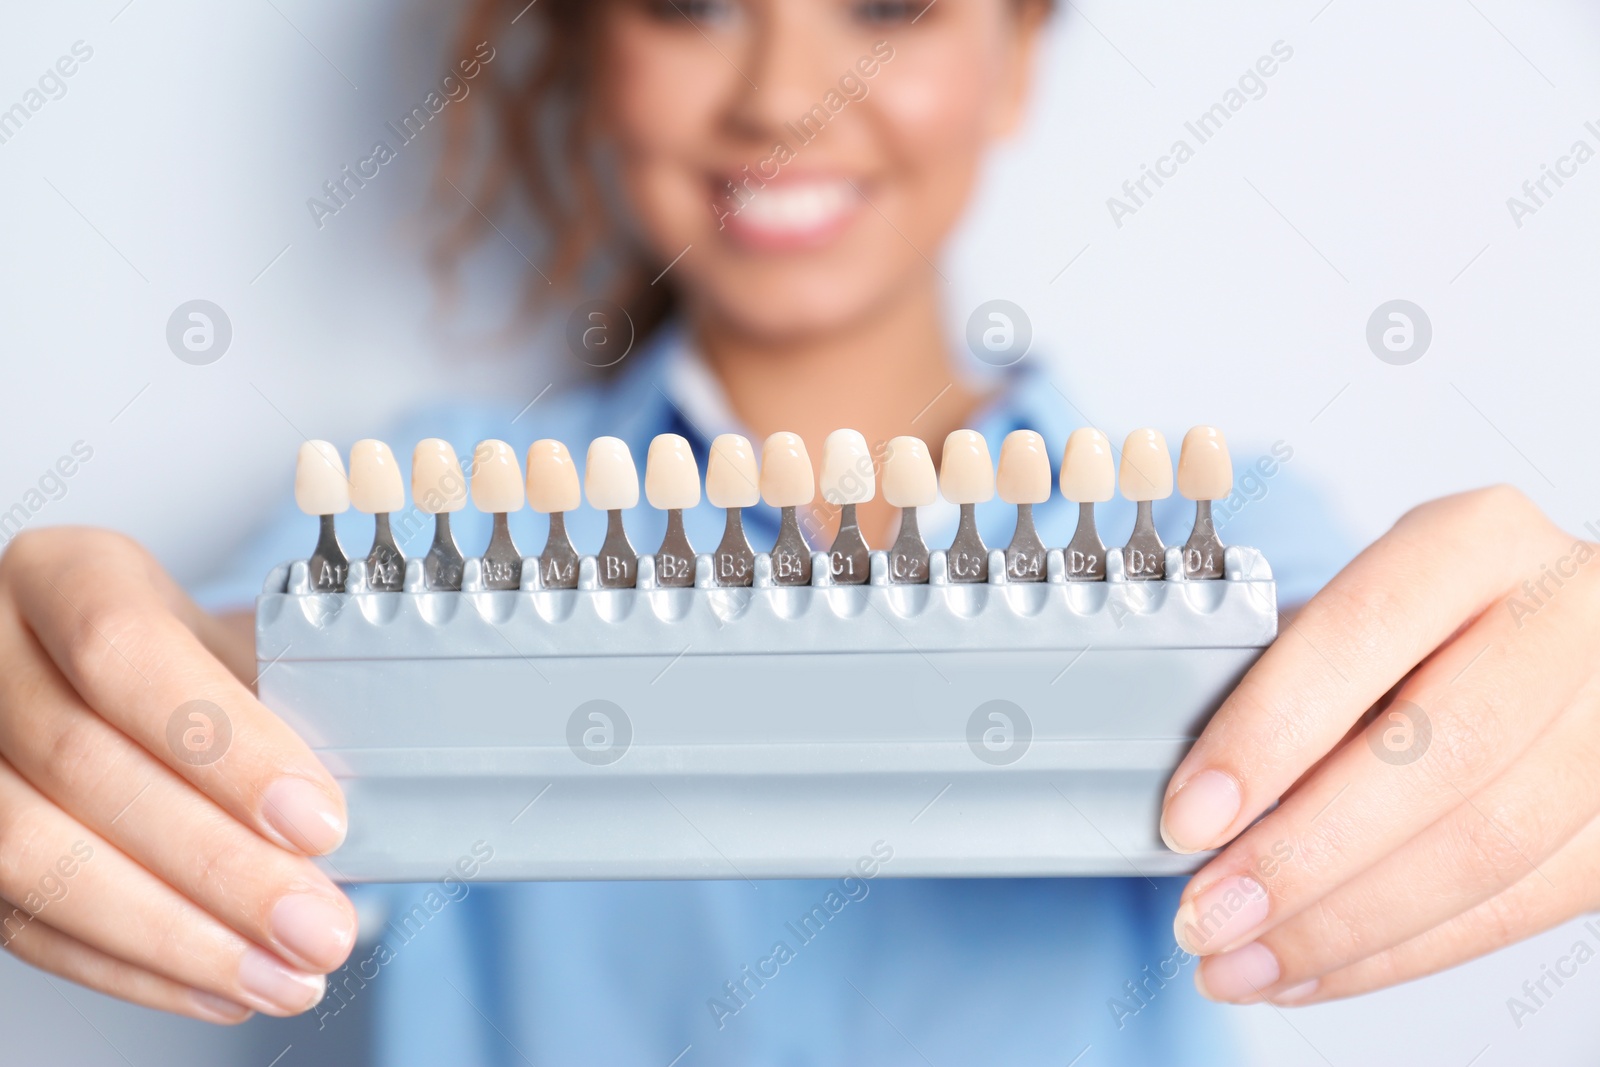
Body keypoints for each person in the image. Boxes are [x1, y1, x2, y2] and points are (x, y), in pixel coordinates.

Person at [2, 0, 1596, 1062]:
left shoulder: (1236, 534)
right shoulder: (405, 508)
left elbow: (1434, 702)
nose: (782, 89)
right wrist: (86, 701)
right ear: (587, 48)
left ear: (1020, 52)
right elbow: (210, 673)